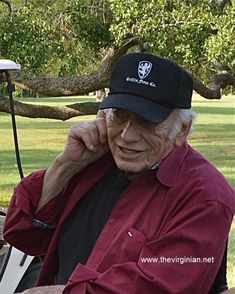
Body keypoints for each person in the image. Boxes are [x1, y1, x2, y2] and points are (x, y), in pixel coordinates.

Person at [3, 52, 235, 294]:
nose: (127, 136)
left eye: (148, 122)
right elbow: (23, 234)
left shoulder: (206, 196)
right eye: (120, 115)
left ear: (182, 130)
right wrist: (65, 165)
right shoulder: (95, 161)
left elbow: (160, 287)